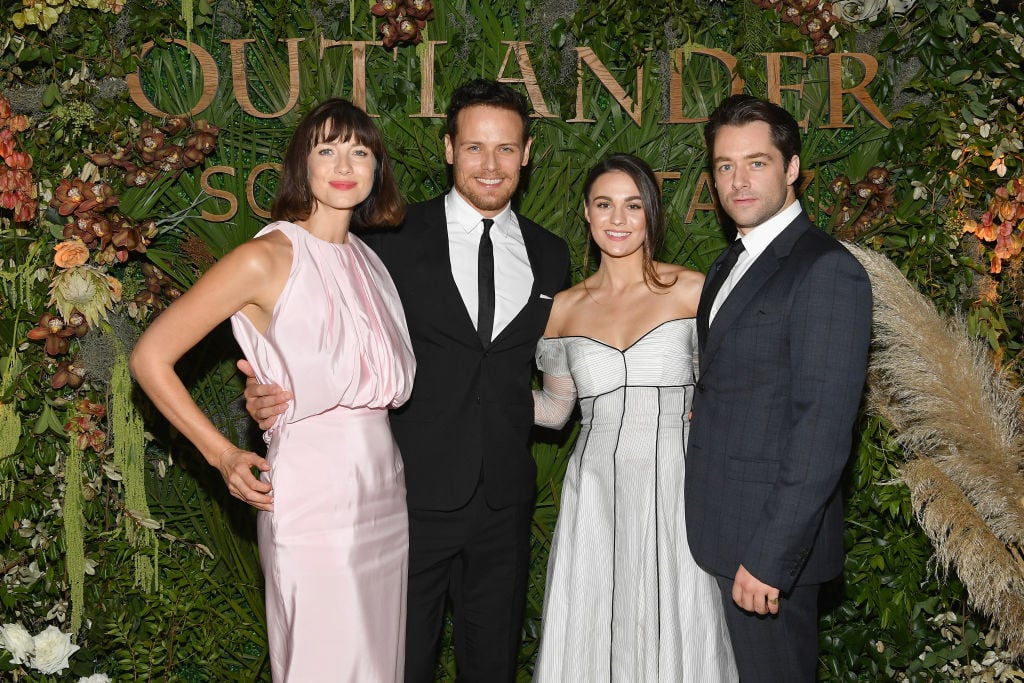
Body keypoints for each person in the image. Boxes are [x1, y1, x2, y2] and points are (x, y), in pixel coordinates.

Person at [241, 80, 570, 681]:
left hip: (504, 502)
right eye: (473, 147)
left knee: (493, 665)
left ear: (527, 153)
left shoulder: (553, 255)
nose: (489, 165)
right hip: (402, 501)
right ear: (448, 149)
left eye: (504, 149)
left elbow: (558, 368)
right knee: (400, 664)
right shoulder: (385, 239)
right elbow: (314, 331)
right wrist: (269, 386)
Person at [130, 99, 416, 682]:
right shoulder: (265, 257)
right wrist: (223, 454)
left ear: (376, 170)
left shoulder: (371, 262)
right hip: (313, 494)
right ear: (301, 165)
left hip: (384, 495)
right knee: (322, 661)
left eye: (360, 151)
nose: (345, 164)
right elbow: (150, 356)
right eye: (327, 149)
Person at [685, 94, 873, 682]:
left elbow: (822, 431)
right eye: (724, 165)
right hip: (720, 529)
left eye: (757, 162)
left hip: (767, 551)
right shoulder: (726, 264)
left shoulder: (825, 269)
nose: (738, 180)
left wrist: (770, 558)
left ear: (792, 169)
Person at [531, 153, 738, 681]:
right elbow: (556, 411)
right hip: (596, 492)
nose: (618, 220)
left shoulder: (694, 292)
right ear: (586, 212)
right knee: (598, 629)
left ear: (651, 213)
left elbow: (726, 393)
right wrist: (467, 390)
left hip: (677, 487)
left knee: (681, 624)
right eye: (604, 205)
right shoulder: (563, 309)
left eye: (632, 205)